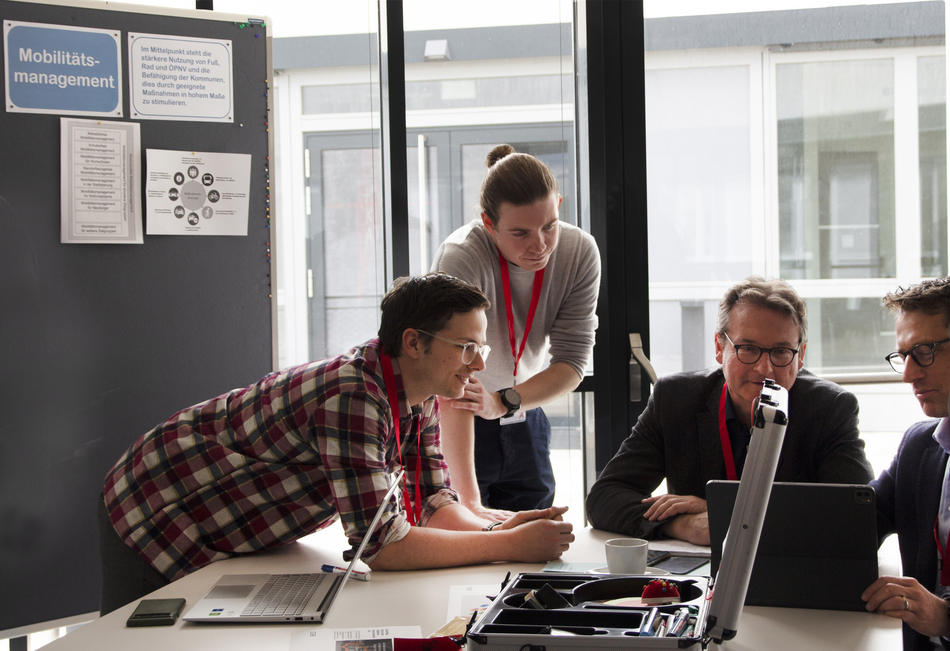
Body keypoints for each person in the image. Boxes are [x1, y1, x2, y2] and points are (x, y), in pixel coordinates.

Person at [99, 273, 574, 615]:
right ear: (414, 343)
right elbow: (385, 547)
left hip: (226, 516)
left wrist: (496, 532)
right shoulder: (352, 395)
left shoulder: (424, 392)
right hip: (156, 502)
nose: (477, 364)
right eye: (466, 347)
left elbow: (431, 503)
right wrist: (510, 544)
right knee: (142, 641)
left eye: (481, 348)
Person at [585, 276, 873, 545]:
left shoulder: (831, 409)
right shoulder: (676, 399)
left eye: (781, 351)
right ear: (720, 347)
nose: (765, 369)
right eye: (748, 348)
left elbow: (856, 517)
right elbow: (603, 499)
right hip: (697, 578)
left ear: (800, 356)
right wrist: (683, 525)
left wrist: (723, 511)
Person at [431, 144, 600, 517]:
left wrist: (504, 401)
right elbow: (447, 381)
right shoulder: (461, 256)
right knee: (468, 537)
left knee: (531, 541)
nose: (540, 246)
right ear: (489, 223)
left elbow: (572, 363)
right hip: (461, 412)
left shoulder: (580, 251)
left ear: (558, 202)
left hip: (524, 408)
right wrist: (469, 503)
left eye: (550, 225)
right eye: (520, 233)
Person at [862, 278, 950, 650]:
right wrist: (737, 517)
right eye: (904, 355)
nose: (909, 373)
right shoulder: (919, 446)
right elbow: (850, 525)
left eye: (925, 351)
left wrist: (944, 617)